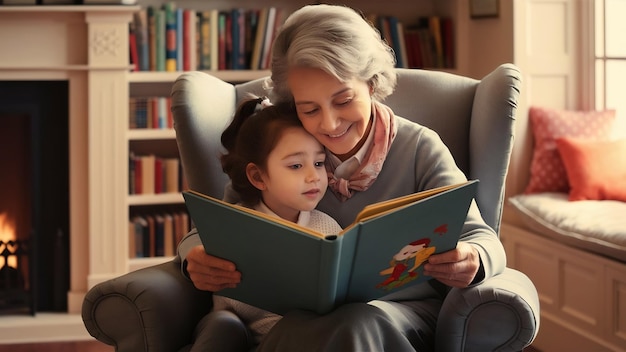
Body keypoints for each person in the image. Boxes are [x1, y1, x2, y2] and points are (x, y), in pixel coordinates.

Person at [177, 4, 506, 351]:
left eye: (344, 100)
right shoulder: (284, 150)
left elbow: (484, 239)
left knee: (354, 320)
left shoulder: (420, 148)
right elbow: (218, 228)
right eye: (309, 109)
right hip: (296, 320)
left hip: (398, 317)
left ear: (372, 83)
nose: (330, 124)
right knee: (299, 326)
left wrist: (473, 258)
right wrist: (193, 256)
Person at [187, 96, 342, 351]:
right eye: (295, 165)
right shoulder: (233, 223)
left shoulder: (328, 228)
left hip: (299, 334)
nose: (314, 176)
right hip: (236, 326)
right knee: (220, 326)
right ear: (258, 176)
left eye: (319, 162)